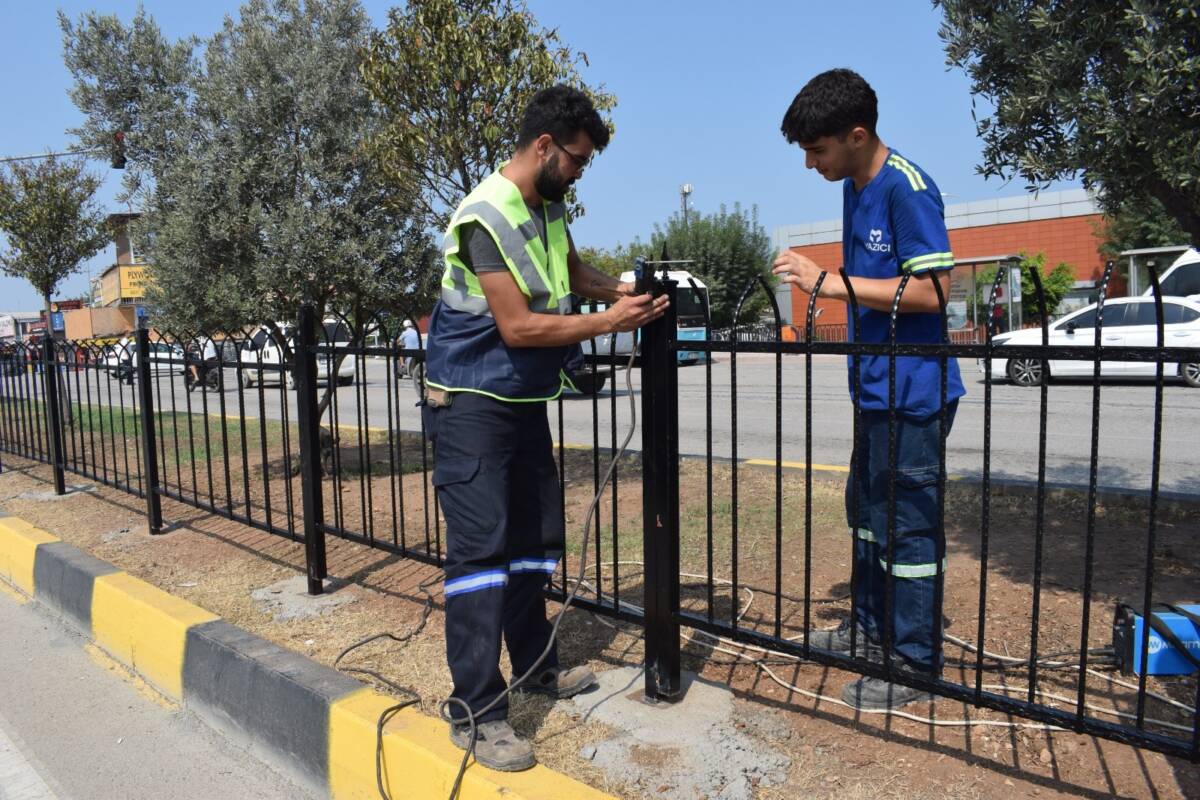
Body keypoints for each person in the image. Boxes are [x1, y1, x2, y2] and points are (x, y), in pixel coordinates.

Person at [424, 84, 668, 771]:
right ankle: (475, 712)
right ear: (544, 147)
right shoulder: (484, 217)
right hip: (471, 406)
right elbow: (520, 325)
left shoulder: (546, 207)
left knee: (533, 543)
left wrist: (618, 291)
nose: (581, 172)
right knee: (480, 558)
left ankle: (534, 670)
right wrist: (608, 324)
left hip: (521, 402)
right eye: (578, 160)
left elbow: (566, 271)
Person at [774, 69, 965, 710]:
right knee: (868, 515)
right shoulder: (856, 186)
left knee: (909, 528)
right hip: (876, 390)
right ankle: (868, 629)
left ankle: (914, 664)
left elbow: (935, 290)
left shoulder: (906, 189)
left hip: (916, 391)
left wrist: (826, 284)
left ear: (857, 136)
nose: (809, 164)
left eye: (818, 149)